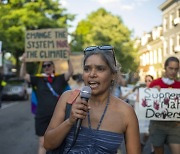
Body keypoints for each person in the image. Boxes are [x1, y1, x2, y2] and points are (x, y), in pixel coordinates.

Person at [44, 45, 141, 154]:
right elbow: (48, 144)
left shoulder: (126, 112)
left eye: (100, 69)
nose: (92, 74)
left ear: (113, 75)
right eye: (87, 69)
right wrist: (70, 121)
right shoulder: (68, 98)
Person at [20, 53, 74, 154]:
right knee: (42, 143)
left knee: (60, 142)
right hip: (42, 116)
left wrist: (67, 58)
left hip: (59, 116)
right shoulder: (38, 79)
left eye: (48, 65)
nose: (46, 67)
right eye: (44, 65)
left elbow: (70, 72)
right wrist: (23, 62)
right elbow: (23, 75)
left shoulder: (60, 78)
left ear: (53, 67)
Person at [148, 56, 180, 154]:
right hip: (157, 125)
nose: (173, 71)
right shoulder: (155, 83)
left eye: (176, 69)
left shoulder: (179, 85)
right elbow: (147, 104)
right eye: (171, 68)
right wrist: (152, 92)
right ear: (165, 68)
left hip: (175, 125)